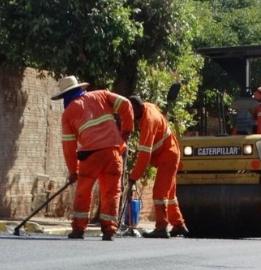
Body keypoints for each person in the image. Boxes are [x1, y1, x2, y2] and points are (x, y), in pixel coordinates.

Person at [51, 75, 134, 241]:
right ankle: (109, 230)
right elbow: (126, 104)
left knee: (83, 191)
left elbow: (69, 146)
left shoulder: (68, 113)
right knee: (112, 191)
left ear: (64, 96)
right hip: (113, 152)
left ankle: (78, 229)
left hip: (91, 156)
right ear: (80, 89)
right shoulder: (101, 95)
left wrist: (73, 171)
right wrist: (126, 130)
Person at [127, 95, 189, 238]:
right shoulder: (147, 107)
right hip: (170, 153)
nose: (130, 115)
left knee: (159, 193)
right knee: (170, 195)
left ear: (137, 109)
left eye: (131, 111)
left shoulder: (149, 121)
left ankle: (161, 227)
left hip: (167, 157)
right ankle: (178, 225)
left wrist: (133, 177)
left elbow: (144, 155)